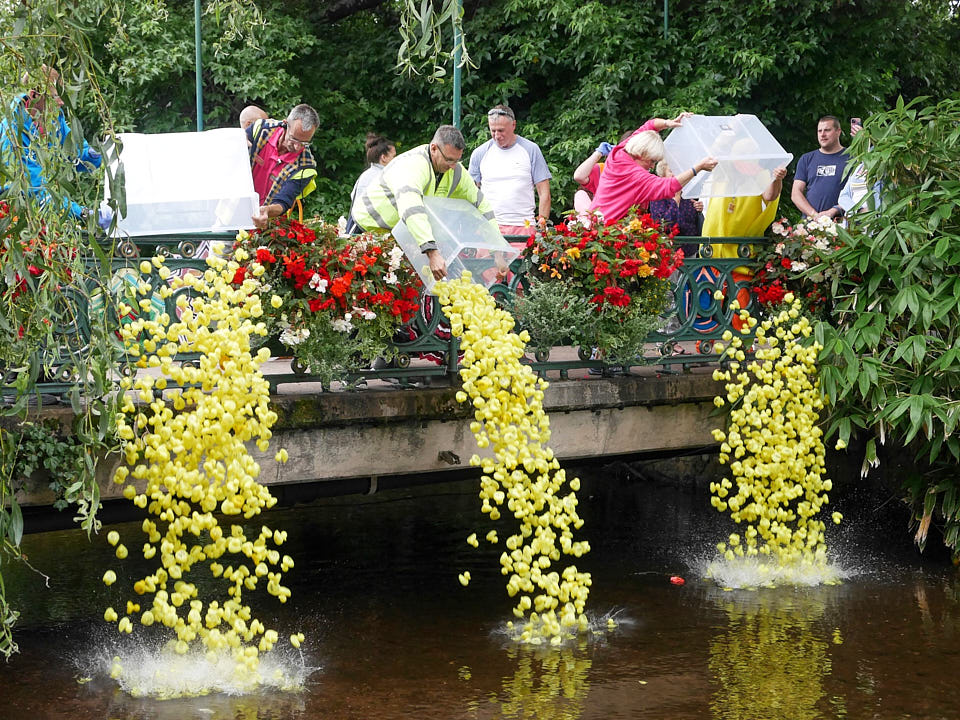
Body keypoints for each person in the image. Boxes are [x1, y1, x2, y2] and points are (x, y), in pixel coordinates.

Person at [352, 124, 499, 281]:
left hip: (397, 236)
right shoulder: (413, 165)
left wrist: (497, 251)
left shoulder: (456, 171)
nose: (453, 166)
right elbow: (412, 209)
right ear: (434, 148)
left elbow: (481, 205)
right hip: (366, 229)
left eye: (457, 160)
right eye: (449, 159)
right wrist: (432, 252)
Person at [0, 64, 110, 229]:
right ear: (34, 95)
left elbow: (70, 149)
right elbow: (32, 189)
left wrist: (95, 156)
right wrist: (82, 213)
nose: (61, 103)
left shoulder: (52, 115)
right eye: (54, 97)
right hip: (15, 218)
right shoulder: (13, 131)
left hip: (45, 212)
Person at [588, 113, 717, 225]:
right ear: (641, 154)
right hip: (605, 230)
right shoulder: (637, 176)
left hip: (592, 221)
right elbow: (670, 186)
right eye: (652, 161)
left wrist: (669, 123)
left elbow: (650, 125)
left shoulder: (619, 152)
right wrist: (698, 168)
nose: (652, 166)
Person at [468, 105, 551, 237]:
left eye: (501, 130)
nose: (497, 136)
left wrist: (541, 227)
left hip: (523, 226)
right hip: (488, 227)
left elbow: (544, 192)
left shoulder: (531, 150)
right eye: (493, 130)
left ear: (513, 125)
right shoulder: (480, 153)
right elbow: (470, 193)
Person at [247, 104, 319, 230]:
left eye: (304, 143)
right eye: (294, 139)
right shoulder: (261, 128)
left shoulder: (306, 167)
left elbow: (284, 201)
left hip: (266, 227)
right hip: (231, 216)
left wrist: (266, 211)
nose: (297, 147)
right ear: (285, 124)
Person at [791, 115, 849, 220]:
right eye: (819, 131)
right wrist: (814, 216)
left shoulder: (851, 158)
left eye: (827, 130)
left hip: (842, 224)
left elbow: (858, 194)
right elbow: (796, 193)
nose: (822, 135)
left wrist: (834, 210)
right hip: (811, 226)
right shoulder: (807, 159)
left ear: (838, 131)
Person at [345, 132, 396, 234]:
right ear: (384, 158)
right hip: (360, 227)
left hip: (362, 226)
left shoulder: (370, 174)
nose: (396, 160)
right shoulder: (378, 176)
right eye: (394, 156)